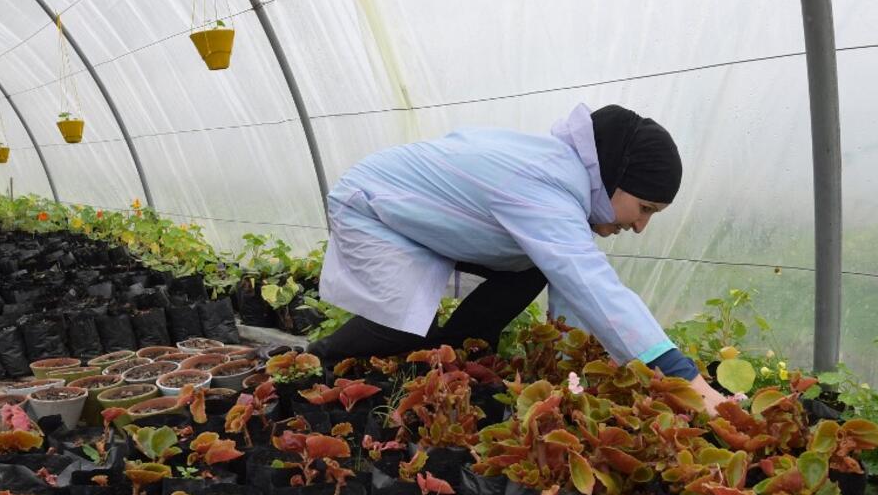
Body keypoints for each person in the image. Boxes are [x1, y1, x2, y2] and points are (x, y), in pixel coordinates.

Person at [309, 103, 725, 411]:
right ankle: (317, 356)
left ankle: (457, 355)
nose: (640, 226)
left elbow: (570, 287)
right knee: (408, 325)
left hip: (424, 216)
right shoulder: (545, 184)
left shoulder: (564, 180)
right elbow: (592, 284)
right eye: (645, 208)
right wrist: (683, 376)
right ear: (615, 176)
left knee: (531, 268)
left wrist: (570, 373)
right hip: (372, 206)